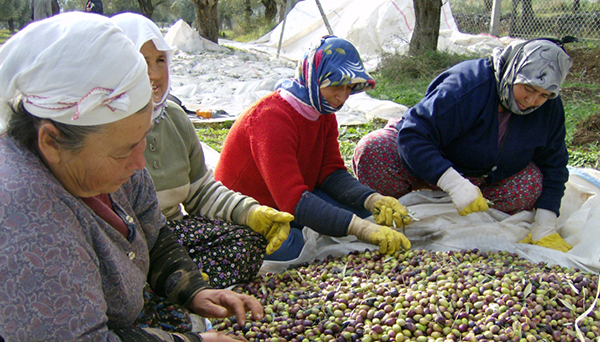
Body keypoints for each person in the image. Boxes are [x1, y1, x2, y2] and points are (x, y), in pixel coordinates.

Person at [0, 13, 263, 341]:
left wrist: (193, 290)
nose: (141, 163)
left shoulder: (111, 166)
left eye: (142, 137)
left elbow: (154, 234)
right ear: (51, 143)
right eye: (124, 150)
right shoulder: (25, 219)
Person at [111, 13, 294, 290]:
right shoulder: (104, 127)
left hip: (173, 235)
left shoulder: (174, 117)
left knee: (247, 241)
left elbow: (201, 192)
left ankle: (180, 284)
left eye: (160, 60)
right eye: (141, 62)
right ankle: (167, 285)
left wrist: (251, 213)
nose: (155, 74)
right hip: (124, 242)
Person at [352, 38, 573, 252]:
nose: (532, 100)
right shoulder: (468, 85)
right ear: (513, 71)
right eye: (528, 88)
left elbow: (554, 164)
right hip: (422, 163)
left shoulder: (549, 108)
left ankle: (454, 210)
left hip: (481, 179)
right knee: (374, 151)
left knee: (532, 183)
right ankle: (406, 211)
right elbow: (414, 135)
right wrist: (453, 183)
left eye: (543, 95)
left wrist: (545, 223)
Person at [214, 35, 412, 262]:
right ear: (314, 77)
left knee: (365, 214)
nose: (342, 97)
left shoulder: (323, 113)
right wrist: (360, 229)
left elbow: (331, 172)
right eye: (336, 86)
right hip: (250, 210)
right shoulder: (271, 118)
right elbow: (292, 199)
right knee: (291, 246)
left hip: (292, 196)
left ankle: (312, 224)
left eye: (349, 88)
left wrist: (372, 199)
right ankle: (300, 230)